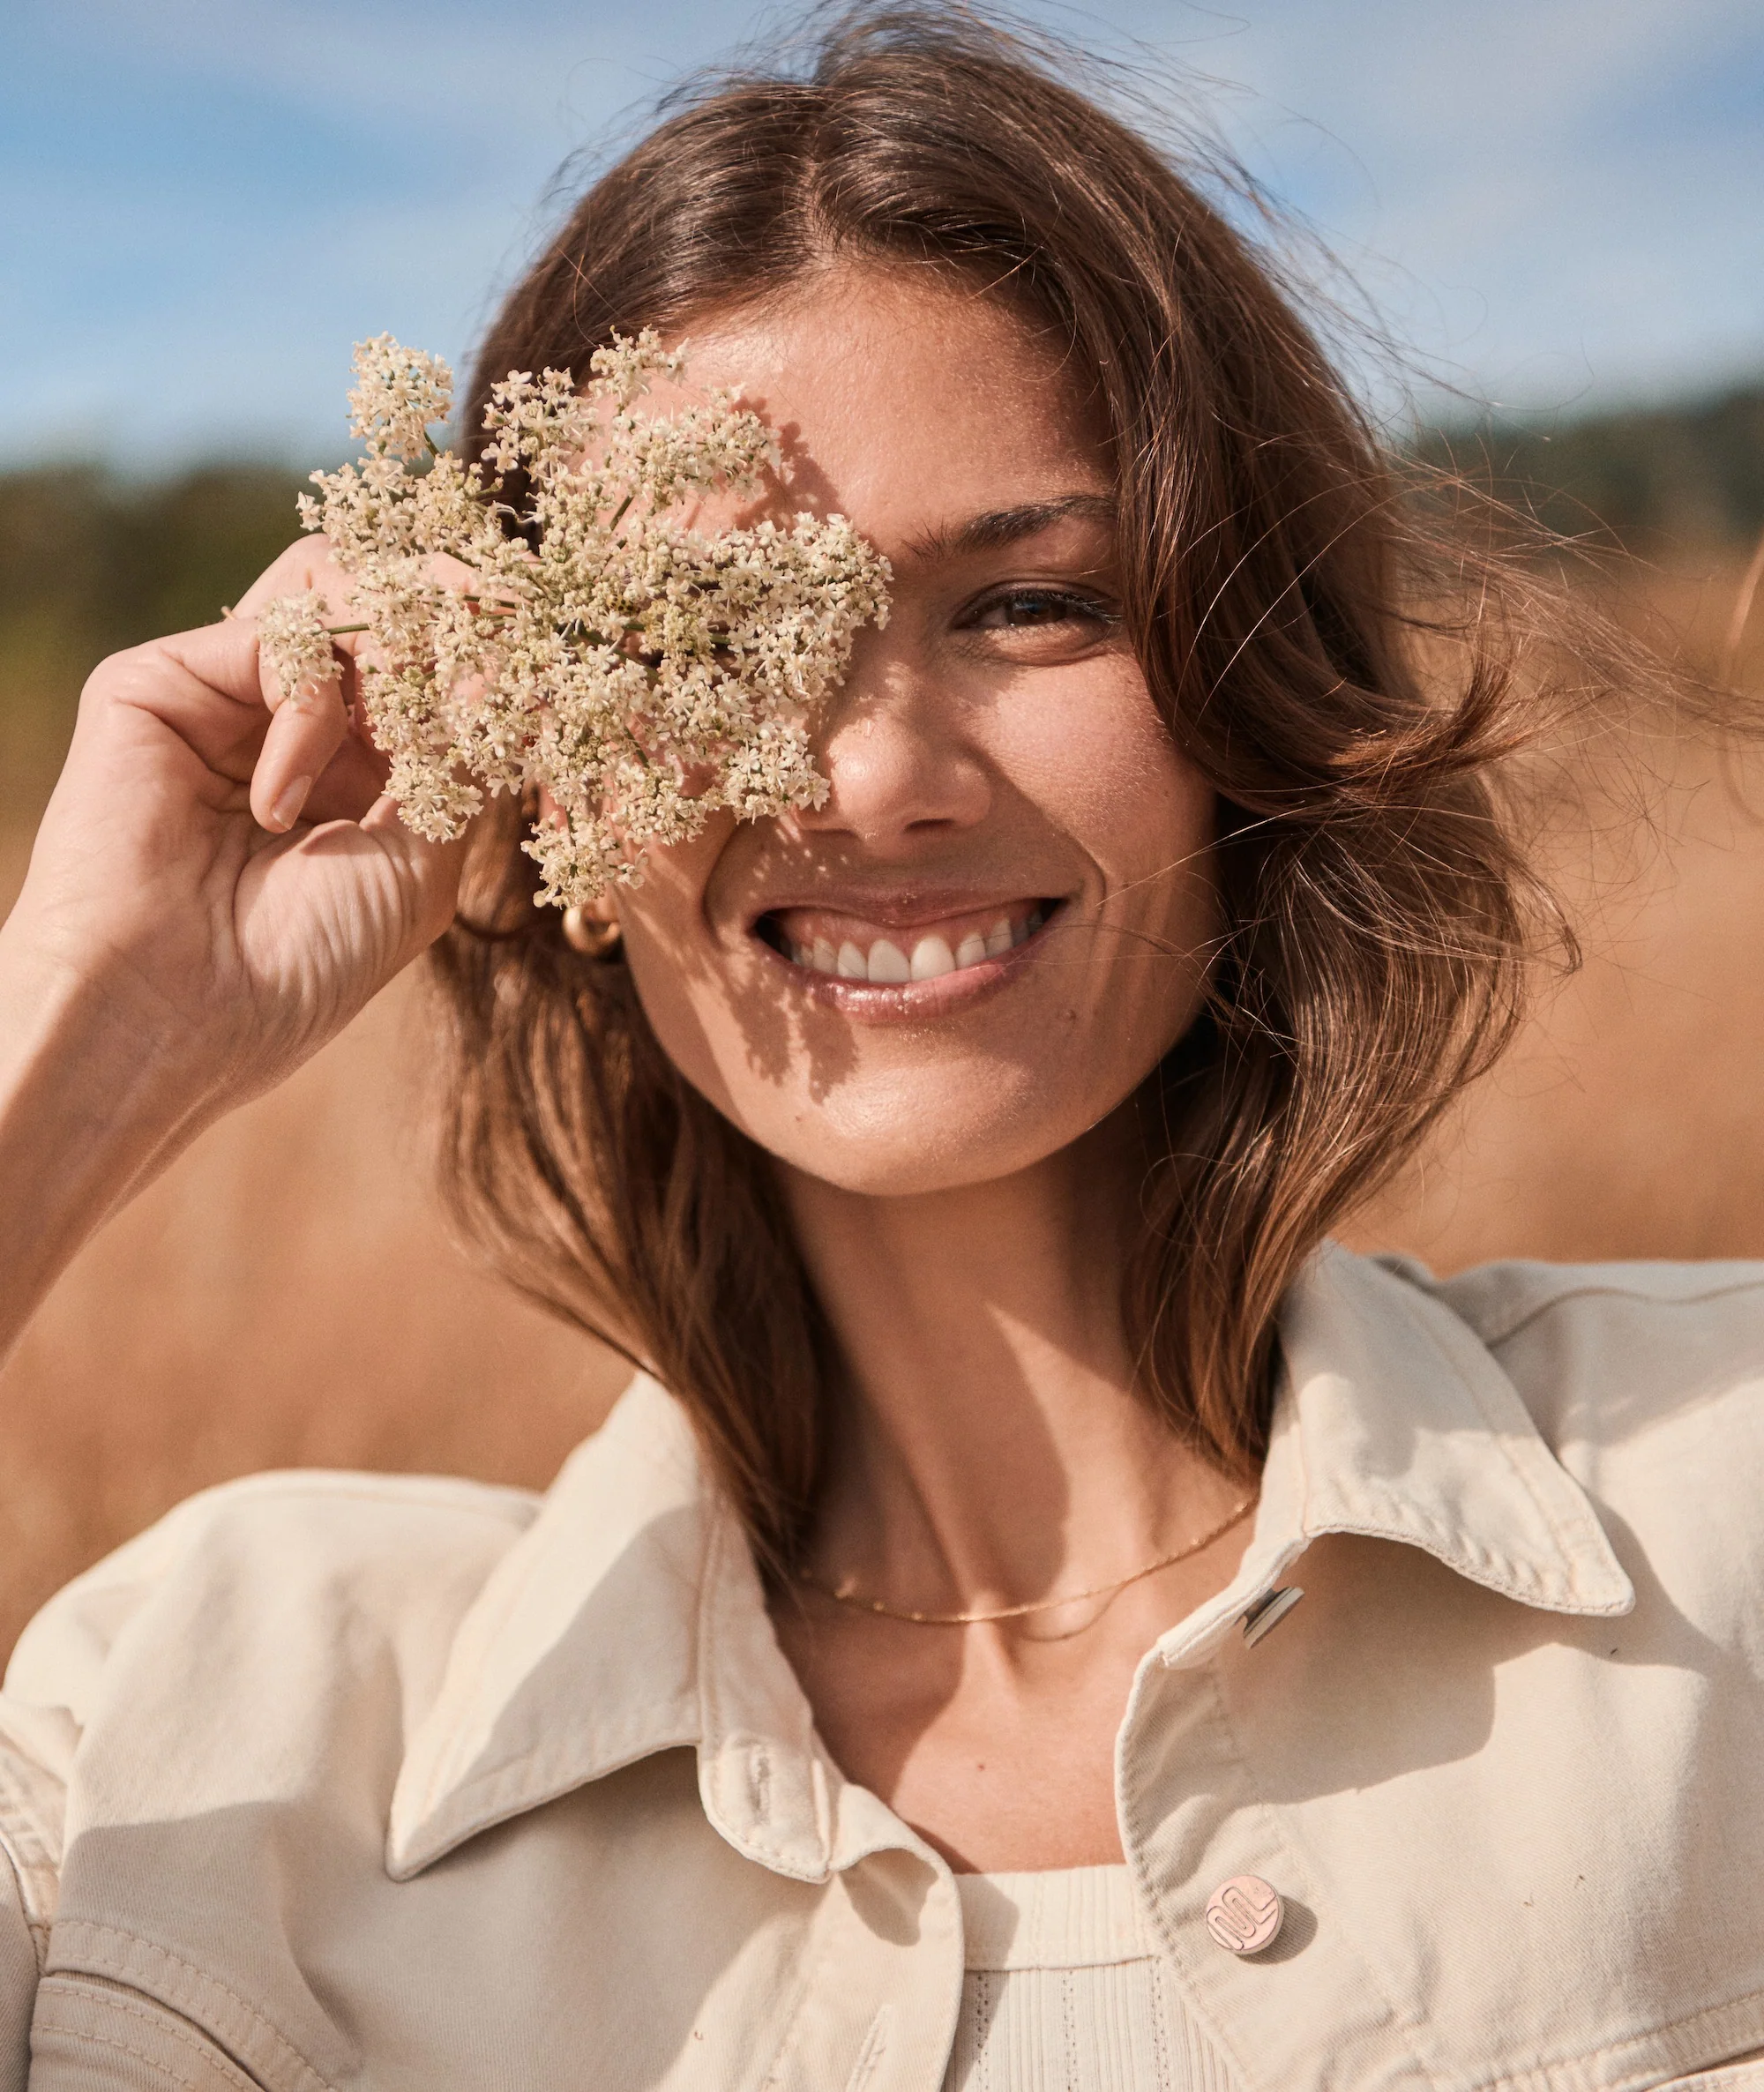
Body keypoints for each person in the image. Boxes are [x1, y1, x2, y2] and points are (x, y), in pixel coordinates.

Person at [0, 11, 1760, 2090]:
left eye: (1027, 606)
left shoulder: (1716, 1498)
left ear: (1242, 689)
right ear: (540, 780)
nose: (873, 777)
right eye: (709, 637)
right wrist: (84, 1034)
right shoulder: (203, 1722)